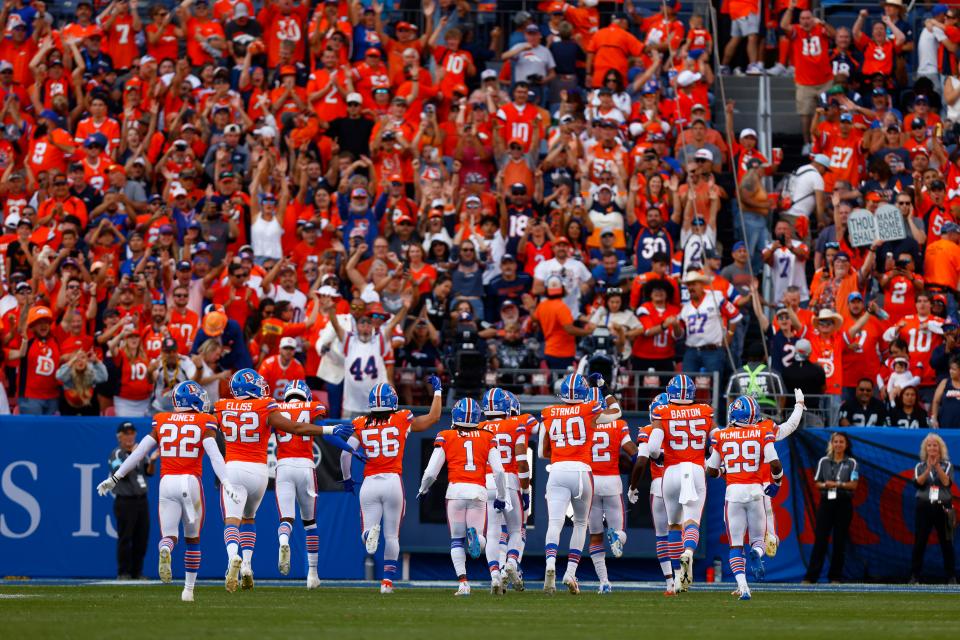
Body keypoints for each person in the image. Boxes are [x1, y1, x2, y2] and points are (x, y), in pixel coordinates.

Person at [213, 369, 352, 592]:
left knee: (232, 520)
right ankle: (247, 566)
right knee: (251, 518)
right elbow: (296, 427)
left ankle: (233, 558)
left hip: (234, 467)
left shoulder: (221, 406)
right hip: (259, 471)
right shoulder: (266, 405)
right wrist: (328, 429)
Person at [96, 382, 236, 602]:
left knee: (169, 536)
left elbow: (139, 452)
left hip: (166, 483)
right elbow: (214, 454)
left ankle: (166, 551)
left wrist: (115, 477)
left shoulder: (162, 420)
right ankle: (188, 591)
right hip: (190, 481)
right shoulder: (204, 421)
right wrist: (226, 481)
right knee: (193, 540)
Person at [340, 380, 443, 594]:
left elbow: (344, 454)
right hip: (393, 482)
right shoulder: (401, 418)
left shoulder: (359, 422)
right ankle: (387, 582)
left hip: (369, 483)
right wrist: (438, 392)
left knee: (366, 533)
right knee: (392, 536)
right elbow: (433, 418)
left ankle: (370, 534)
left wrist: (348, 478)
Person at [418, 397, 508, 597]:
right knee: (482, 538)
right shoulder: (487, 436)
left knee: (456, 541)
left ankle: (463, 584)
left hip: (456, 492)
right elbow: (500, 472)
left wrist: (423, 488)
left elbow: (432, 471)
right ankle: (476, 538)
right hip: (478, 492)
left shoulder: (446, 435)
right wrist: (501, 495)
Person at [538, 373, 614, 594]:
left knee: (555, 523)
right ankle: (570, 572)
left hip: (558, 470)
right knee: (581, 523)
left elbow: (543, 451)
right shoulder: (589, 409)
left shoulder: (549, 412)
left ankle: (550, 564)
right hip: (581, 470)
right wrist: (605, 389)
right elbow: (616, 413)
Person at [707, 396, 784, 601]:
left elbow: (711, 470)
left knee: (735, 545)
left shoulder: (722, 435)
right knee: (758, 541)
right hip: (756, 491)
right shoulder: (762, 432)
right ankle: (757, 555)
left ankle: (744, 587)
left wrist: (725, 469)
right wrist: (776, 483)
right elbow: (775, 464)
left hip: (733, 493)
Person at [646, 374, 716, 594]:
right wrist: (712, 462)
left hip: (671, 472)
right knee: (692, 520)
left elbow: (653, 448)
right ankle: (689, 551)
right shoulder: (705, 411)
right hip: (695, 468)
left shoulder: (663, 412)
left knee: (673, 524)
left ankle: (677, 577)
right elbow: (717, 441)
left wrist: (660, 457)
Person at [273, 380, 333, 589]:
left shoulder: (275, 408)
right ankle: (312, 574)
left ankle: (283, 543)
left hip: (283, 465)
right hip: (306, 466)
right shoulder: (312, 406)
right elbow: (322, 425)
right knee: (310, 523)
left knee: (286, 518)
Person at [477, 387, 533, 595]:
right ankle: (511, 561)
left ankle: (494, 575)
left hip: (486, 482)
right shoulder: (516, 423)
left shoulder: (479, 427)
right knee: (516, 530)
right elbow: (521, 461)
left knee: (492, 534)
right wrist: (526, 492)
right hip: (509, 479)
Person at [585, 383, 633, 594]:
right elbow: (631, 450)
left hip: (590, 482)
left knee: (595, 535)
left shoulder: (583, 423)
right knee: (620, 531)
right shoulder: (618, 424)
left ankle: (604, 582)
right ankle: (616, 537)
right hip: (612, 481)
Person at [629, 393, 673, 593]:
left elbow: (641, 461)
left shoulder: (648, 431)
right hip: (681, 482)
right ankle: (681, 577)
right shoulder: (680, 428)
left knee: (662, 535)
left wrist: (632, 486)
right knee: (680, 530)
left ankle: (670, 583)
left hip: (659, 487)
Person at [803, 432, 859, 584]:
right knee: (820, 539)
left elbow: (853, 485)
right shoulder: (824, 461)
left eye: (841, 442)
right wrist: (825, 485)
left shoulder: (852, 463)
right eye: (836, 441)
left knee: (839, 541)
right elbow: (817, 482)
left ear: (846, 445)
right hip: (826, 502)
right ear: (831, 444)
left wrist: (837, 484)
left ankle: (835, 577)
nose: (838, 444)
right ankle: (811, 577)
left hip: (844, 502)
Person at [105, 422, 156, 580]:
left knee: (142, 537)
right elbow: (121, 474)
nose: (129, 436)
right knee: (126, 537)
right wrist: (134, 456)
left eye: (132, 433)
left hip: (142, 499)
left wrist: (153, 460)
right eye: (126, 433)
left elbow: (149, 472)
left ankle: (137, 571)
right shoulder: (116, 454)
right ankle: (124, 572)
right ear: (119, 436)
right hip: (125, 500)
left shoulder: (141, 453)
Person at [910, 434, 956, 585]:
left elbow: (946, 483)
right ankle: (915, 576)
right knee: (920, 542)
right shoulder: (919, 466)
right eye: (929, 445)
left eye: (935, 445)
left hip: (944, 507)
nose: (932, 448)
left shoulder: (947, 465)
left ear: (940, 448)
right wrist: (929, 467)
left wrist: (937, 467)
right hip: (924, 507)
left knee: (947, 542)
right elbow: (918, 483)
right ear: (925, 448)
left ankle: (951, 577)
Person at [931, 357, 960, 429]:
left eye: (954, 369)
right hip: (945, 423)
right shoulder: (945, 382)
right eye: (950, 369)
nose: (951, 371)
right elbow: (936, 401)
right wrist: (934, 418)